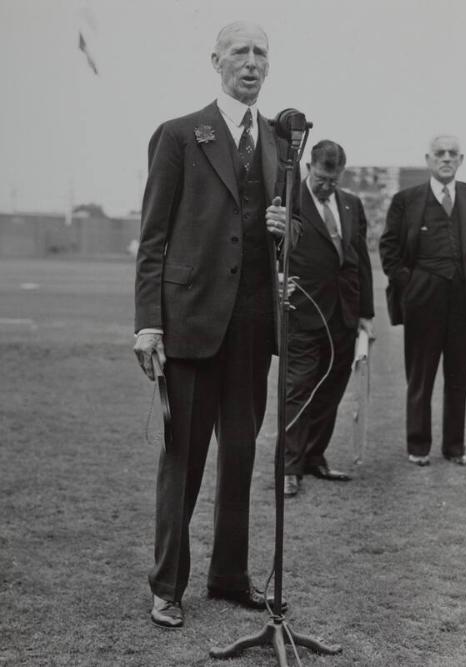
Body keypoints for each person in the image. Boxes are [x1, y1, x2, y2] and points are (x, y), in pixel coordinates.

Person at [133, 21, 299, 628]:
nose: (251, 63)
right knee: (184, 459)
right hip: (191, 325)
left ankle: (229, 577)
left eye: (261, 53)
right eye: (240, 52)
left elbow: (290, 234)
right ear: (216, 60)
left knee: (240, 456)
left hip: (254, 327)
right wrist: (149, 324)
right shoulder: (180, 135)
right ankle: (167, 586)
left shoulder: (284, 143)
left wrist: (288, 232)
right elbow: (152, 238)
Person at [379, 135, 466, 467]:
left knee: (458, 377)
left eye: (452, 154)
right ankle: (418, 447)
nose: (446, 158)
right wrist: (410, 282)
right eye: (439, 154)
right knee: (421, 376)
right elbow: (388, 247)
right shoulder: (407, 199)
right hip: (423, 301)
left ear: (460, 160)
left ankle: (455, 448)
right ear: (428, 159)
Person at [283, 141, 374, 497]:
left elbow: (360, 260)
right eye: (322, 178)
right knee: (299, 391)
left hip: (345, 316)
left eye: (334, 179)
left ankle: (313, 458)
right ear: (310, 166)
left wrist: (366, 314)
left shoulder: (352, 203)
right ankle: (289, 468)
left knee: (331, 391)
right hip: (303, 314)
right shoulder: (290, 201)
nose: (327, 186)